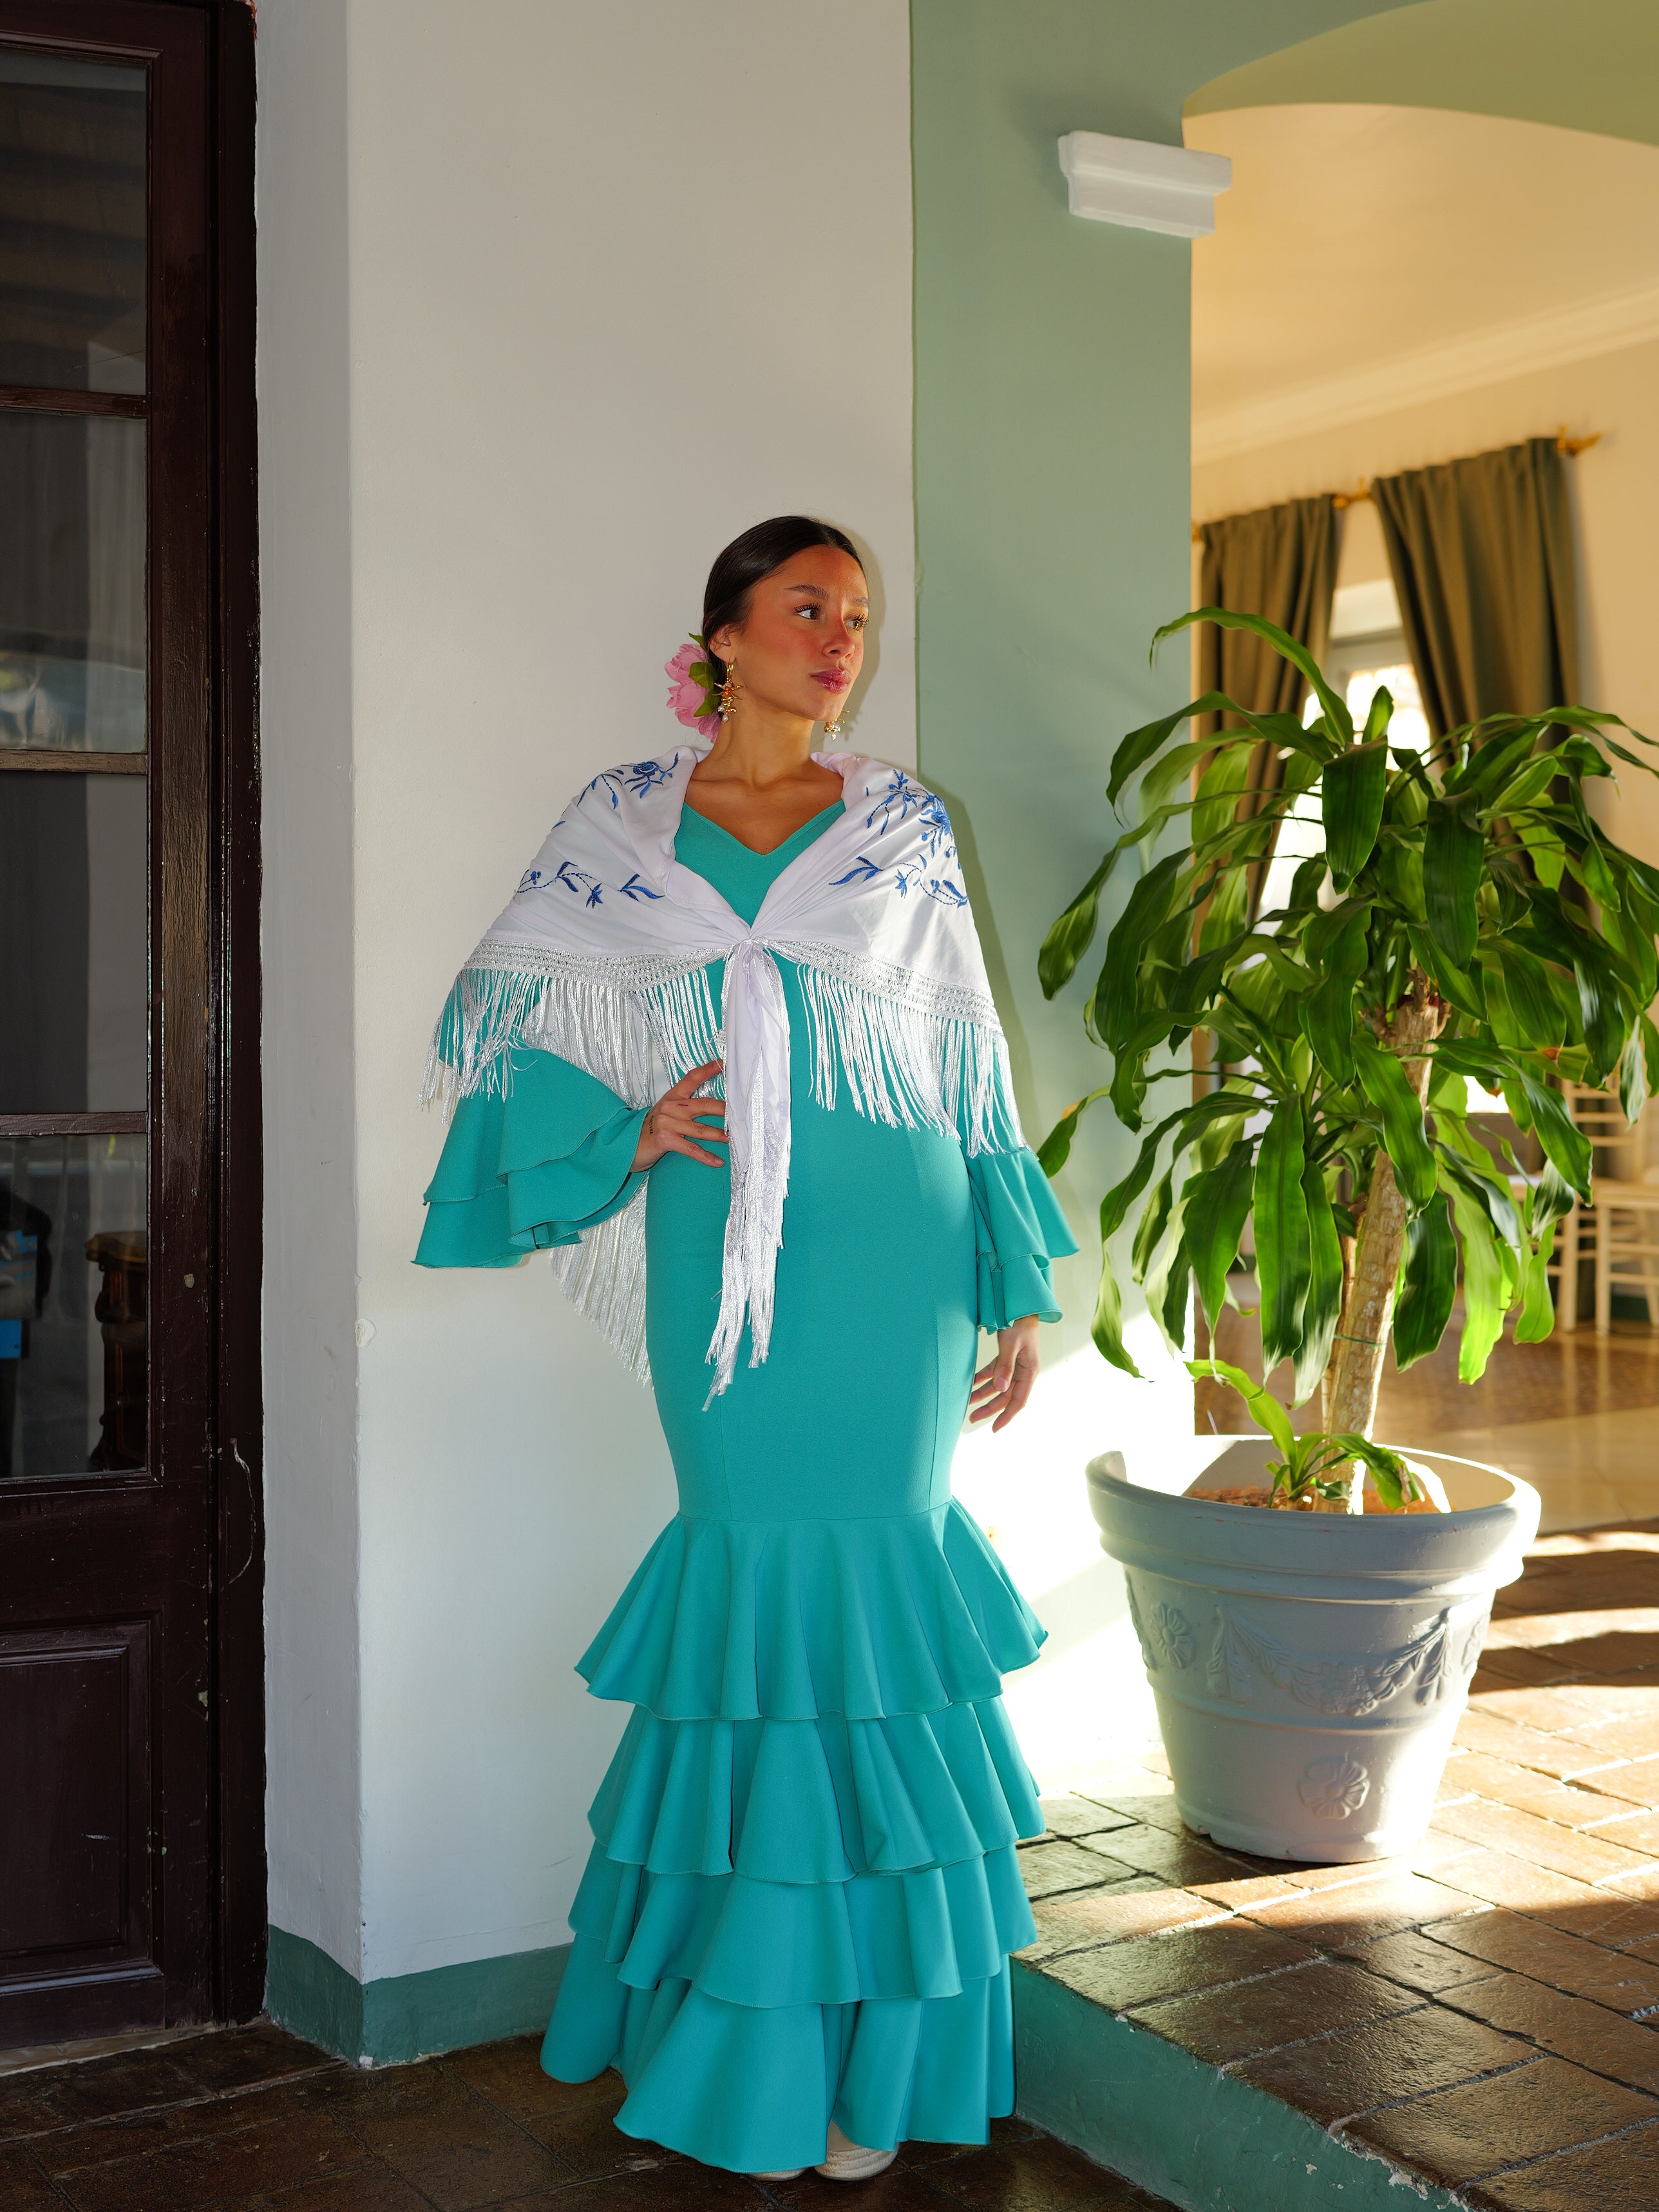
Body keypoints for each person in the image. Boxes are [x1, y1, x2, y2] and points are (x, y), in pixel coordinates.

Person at [417, 516, 1077, 2180]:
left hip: (899, 1260)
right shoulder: (619, 825)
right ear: (720, 634)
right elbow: (501, 1016)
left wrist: (1012, 1272)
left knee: (884, 1621)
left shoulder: (905, 824)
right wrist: (630, 1136)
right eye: (807, 608)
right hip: (725, 1268)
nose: (841, 638)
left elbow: (969, 1060)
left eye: (857, 614)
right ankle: (742, 2046)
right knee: (756, 1611)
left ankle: (878, 2065)